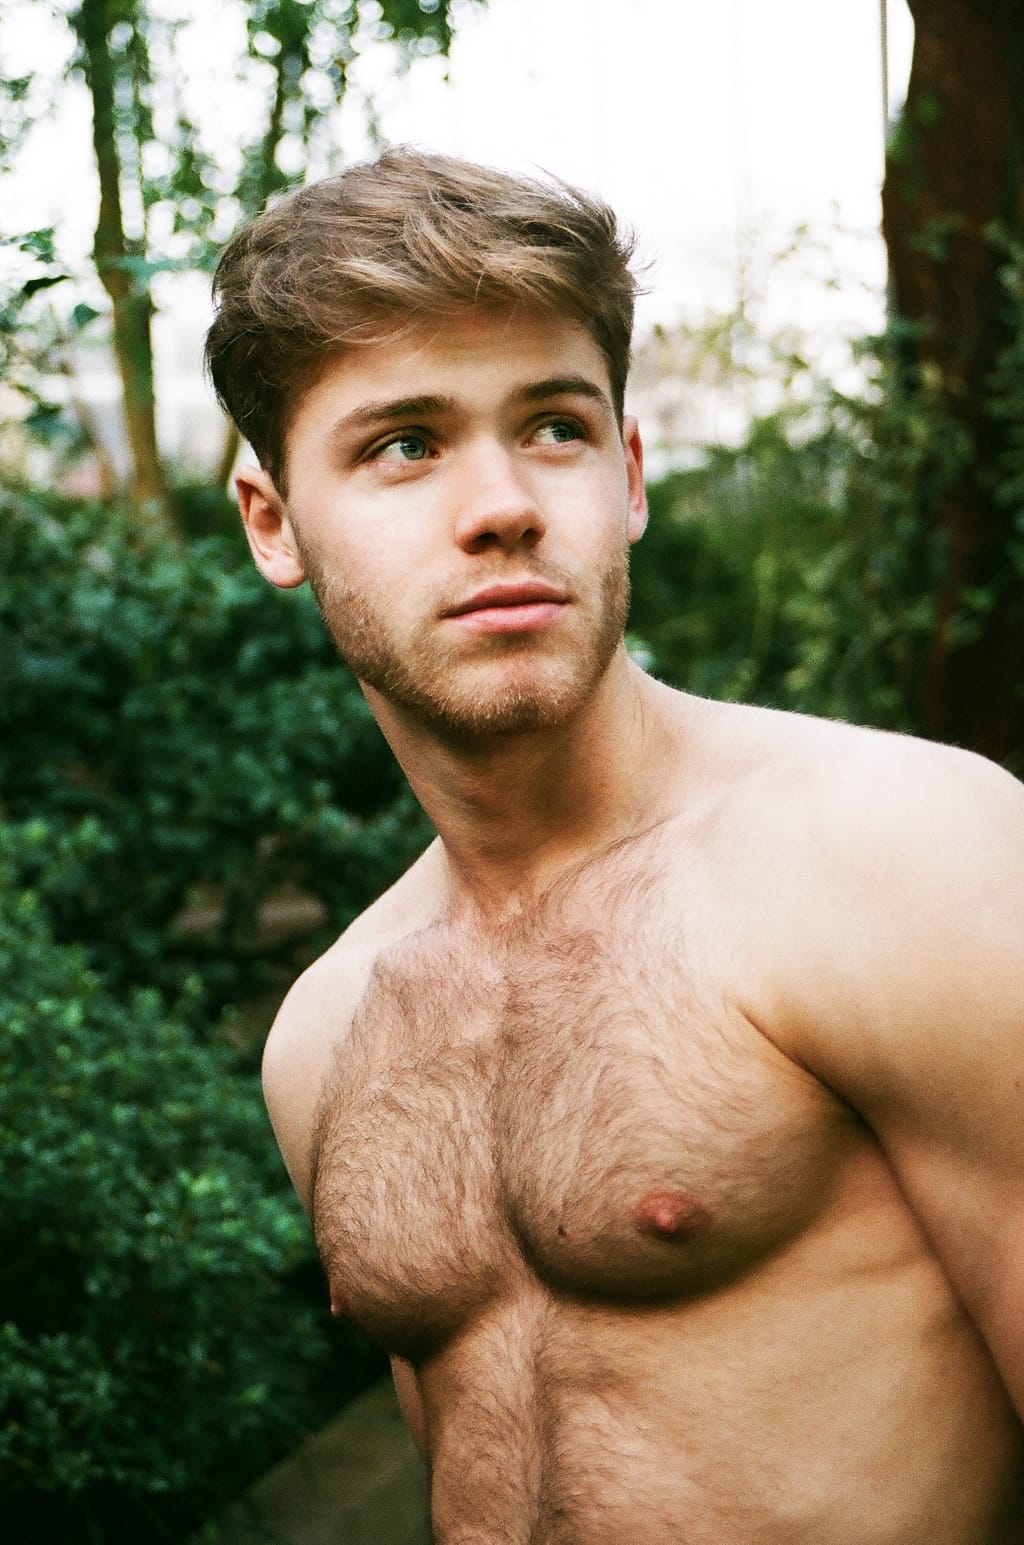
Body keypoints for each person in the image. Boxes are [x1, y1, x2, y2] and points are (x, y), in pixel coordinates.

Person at [205, 147, 1024, 1543]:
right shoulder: (326, 1034)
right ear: (273, 521)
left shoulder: (899, 856)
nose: (503, 503)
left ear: (629, 474)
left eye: (554, 427)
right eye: (405, 444)